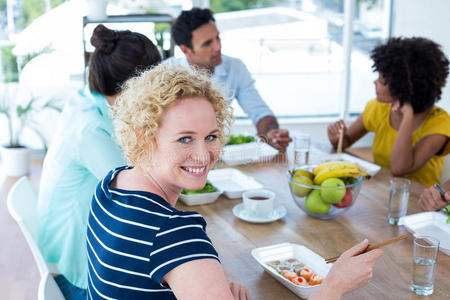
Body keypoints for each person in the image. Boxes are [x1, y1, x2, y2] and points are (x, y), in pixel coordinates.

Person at [86, 64, 383, 299]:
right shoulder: (174, 235)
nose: (203, 155)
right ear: (144, 136)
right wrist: (335, 285)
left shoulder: (110, 185)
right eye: (185, 138)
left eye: (211, 136)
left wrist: (206, 280)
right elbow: (167, 250)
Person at [37, 24, 161, 298]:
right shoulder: (90, 127)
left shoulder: (89, 98)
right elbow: (142, 194)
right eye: (156, 82)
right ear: (134, 85)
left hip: (71, 245)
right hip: (76, 274)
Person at [328, 37, 450, 187]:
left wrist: (407, 116)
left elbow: (400, 169)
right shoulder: (378, 108)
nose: (375, 82)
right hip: (381, 192)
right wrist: (337, 139)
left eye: (382, 80)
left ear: (405, 87)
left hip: (418, 203)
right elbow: (345, 141)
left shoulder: (440, 124)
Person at [165, 7, 291, 152]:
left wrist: (272, 133)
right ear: (186, 50)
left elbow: (259, 112)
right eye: (207, 43)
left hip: (217, 152)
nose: (218, 47)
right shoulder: (166, 72)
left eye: (217, 37)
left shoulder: (235, 67)